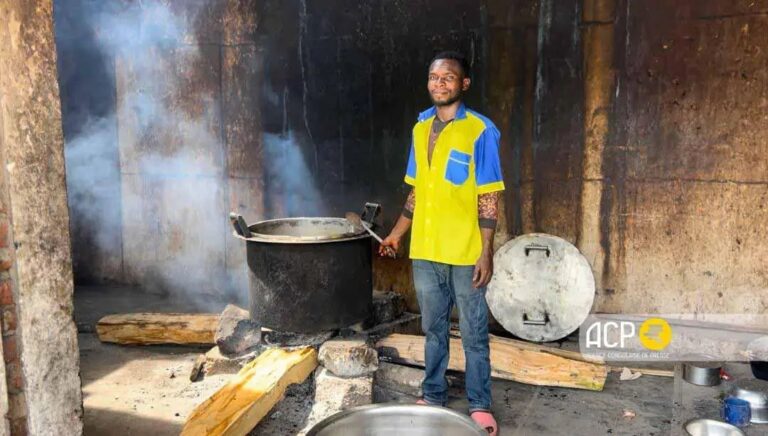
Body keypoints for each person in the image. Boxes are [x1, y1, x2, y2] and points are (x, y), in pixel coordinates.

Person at [379, 51, 504, 436]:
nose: (439, 84)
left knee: (473, 331)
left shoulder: (481, 131)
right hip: (426, 250)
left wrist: (486, 251)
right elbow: (417, 192)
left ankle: (480, 404)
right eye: (434, 77)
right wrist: (397, 235)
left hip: (466, 251)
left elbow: (488, 196)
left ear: (463, 84)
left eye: (448, 77)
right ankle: (433, 393)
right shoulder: (419, 129)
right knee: (432, 329)